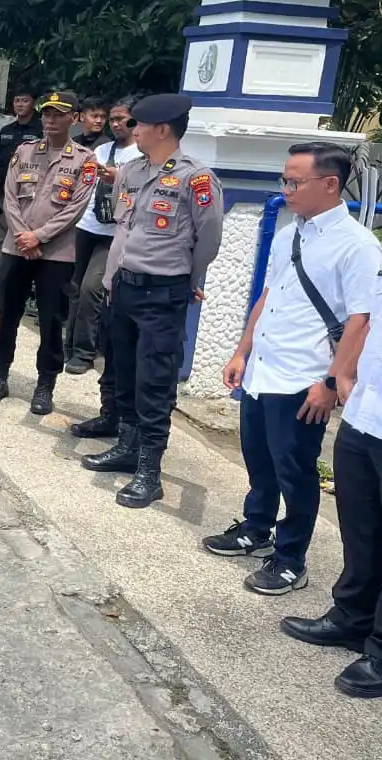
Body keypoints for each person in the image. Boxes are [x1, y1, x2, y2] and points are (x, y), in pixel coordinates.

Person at [204, 144, 380, 595]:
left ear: (330, 185)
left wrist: (329, 384)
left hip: (303, 379)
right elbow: (268, 295)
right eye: (284, 180)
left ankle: (290, 558)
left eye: (294, 182)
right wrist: (241, 351)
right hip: (263, 369)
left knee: (296, 471)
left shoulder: (357, 247)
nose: (285, 191)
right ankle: (256, 526)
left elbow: (361, 319)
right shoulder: (290, 234)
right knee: (258, 459)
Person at [79, 94, 223, 509]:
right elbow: (123, 231)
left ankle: (149, 469)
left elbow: (208, 239)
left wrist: (189, 277)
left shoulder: (196, 179)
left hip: (163, 291)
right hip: (124, 286)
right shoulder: (132, 171)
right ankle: (125, 447)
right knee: (122, 370)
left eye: (139, 125)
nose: (132, 130)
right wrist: (110, 280)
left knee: (155, 381)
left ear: (162, 129)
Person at [281, 265, 382, 697]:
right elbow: (367, 318)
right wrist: (342, 374)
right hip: (365, 415)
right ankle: (352, 618)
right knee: (360, 531)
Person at [0, 91, 96, 415]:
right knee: (7, 316)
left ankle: (45, 385)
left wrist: (39, 237)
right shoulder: (24, 150)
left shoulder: (85, 160)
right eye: (46, 114)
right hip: (16, 248)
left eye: (58, 114)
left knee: (50, 321)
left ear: (74, 118)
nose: (50, 120)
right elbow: (10, 195)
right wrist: (22, 236)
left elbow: (75, 208)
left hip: (56, 253)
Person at [65, 96, 140, 376]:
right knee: (74, 286)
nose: (117, 124)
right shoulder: (102, 149)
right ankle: (69, 343)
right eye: (113, 119)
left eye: (122, 119)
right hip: (88, 225)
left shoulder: (141, 156)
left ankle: (85, 352)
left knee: (91, 288)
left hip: (114, 232)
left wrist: (117, 178)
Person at [0, 86, 43, 296]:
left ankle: (16, 287)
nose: (20, 105)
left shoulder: (40, 130)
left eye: (24, 100)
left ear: (33, 103)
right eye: (17, 101)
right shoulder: (7, 130)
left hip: (26, 196)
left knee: (20, 241)